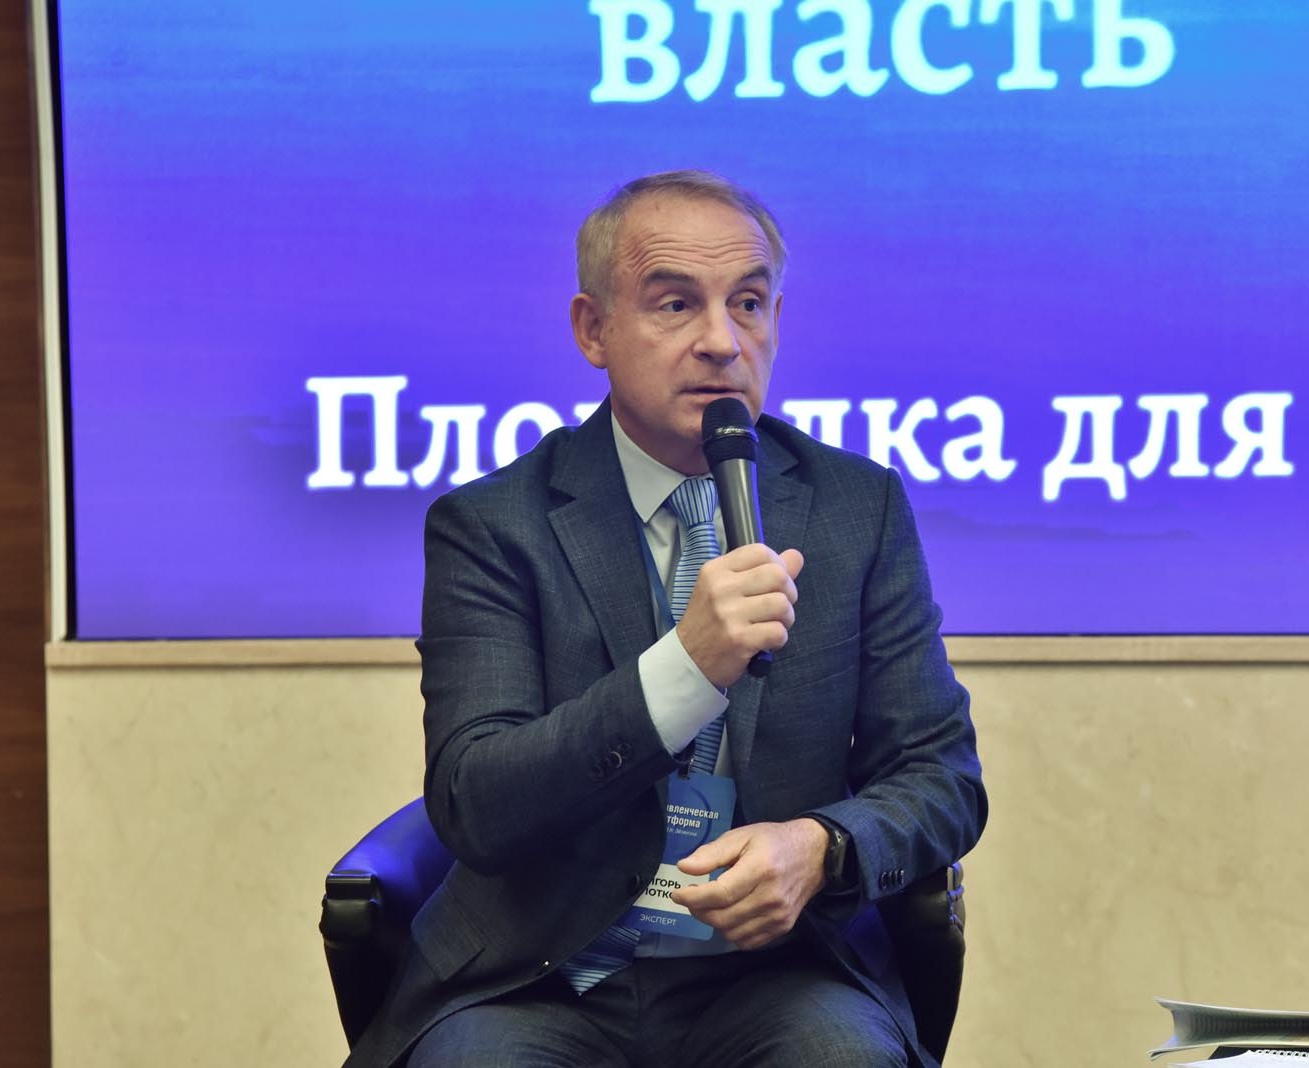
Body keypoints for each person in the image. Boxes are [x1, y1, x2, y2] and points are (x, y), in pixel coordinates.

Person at [342, 170, 986, 1068]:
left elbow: (941, 775)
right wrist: (685, 669)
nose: (722, 342)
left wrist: (820, 846)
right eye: (676, 304)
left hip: (775, 973)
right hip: (540, 974)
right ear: (593, 330)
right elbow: (475, 803)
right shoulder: (493, 525)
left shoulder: (855, 509)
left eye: (748, 304)